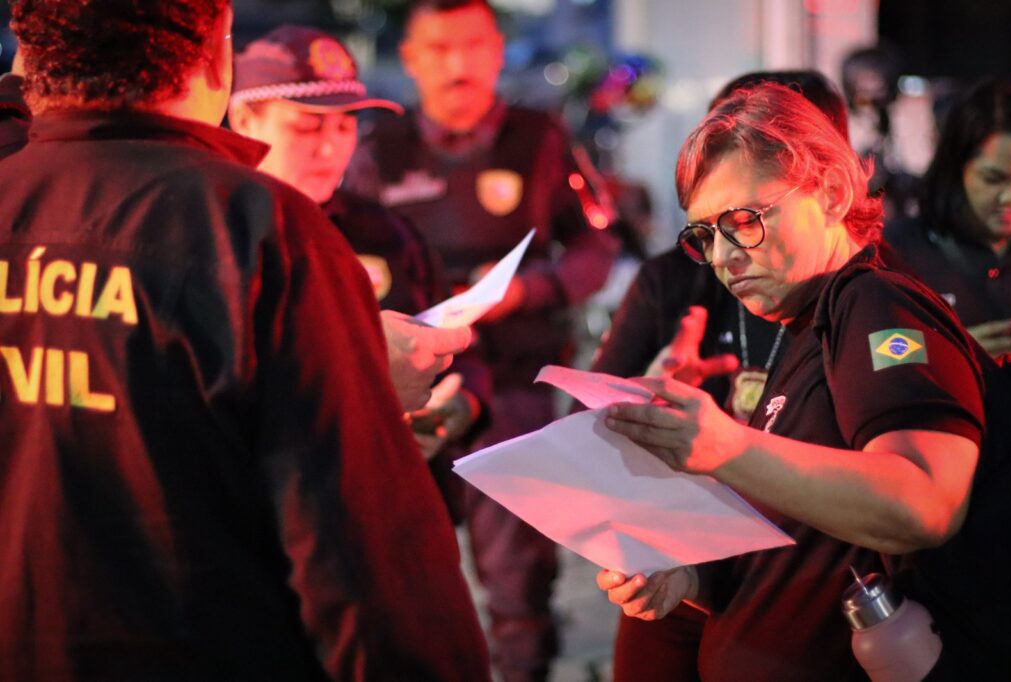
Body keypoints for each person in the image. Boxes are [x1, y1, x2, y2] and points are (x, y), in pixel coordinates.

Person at [0, 1, 490, 679]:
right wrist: (356, 376)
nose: (331, 144)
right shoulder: (255, 228)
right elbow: (363, 556)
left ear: (35, 56)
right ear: (217, 58)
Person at [595, 82, 984, 681]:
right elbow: (801, 544)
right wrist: (687, 577)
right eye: (705, 235)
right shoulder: (806, 322)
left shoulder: (874, 304)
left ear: (830, 192)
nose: (723, 257)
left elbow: (924, 502)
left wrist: (725, 445)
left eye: (743, 221)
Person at [345, 1, 619, 678]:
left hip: (517, 386)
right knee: (399, 566)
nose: (457, 65)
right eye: (438, 49)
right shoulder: (376, 149)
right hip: (408, 384)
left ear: (498, 51)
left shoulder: (541, 137)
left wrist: (530, 290)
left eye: (472, 46)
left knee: (518, 578)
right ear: (409, 58)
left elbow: (595, 244)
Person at [590, 70, 847, 682]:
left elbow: (917, 497)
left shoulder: (861, 294)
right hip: (677, 552)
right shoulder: (676, 277)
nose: (730, 248)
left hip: (806, 576)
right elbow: (591, 422)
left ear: (829, 175)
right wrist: (641, 396)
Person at [227, 26, 490, 496]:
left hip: (388, 503)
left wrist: (459, 405)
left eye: (347, 125)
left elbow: (461, 349)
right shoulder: (210, 234)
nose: (331, 149)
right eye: (307, 126)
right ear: (244, 119)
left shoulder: (386, 232)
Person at [885, 78, 1011, 356]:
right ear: (954, 170)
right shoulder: (899, 249)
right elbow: (872, 355)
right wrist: (950, 353)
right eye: (993, 179)